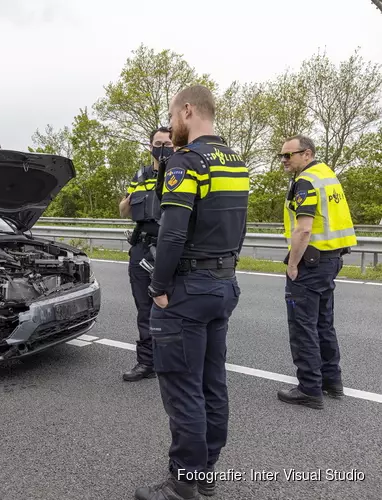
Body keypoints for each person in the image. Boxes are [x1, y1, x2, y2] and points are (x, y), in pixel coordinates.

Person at [133, 85, 249, 500]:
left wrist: (159, 287)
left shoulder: (188, 160)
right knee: (212, 383)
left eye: (172, 114)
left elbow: (173, 230)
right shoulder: (236, 161)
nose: (172, 124)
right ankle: (206, 474)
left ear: (186, 110)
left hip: (187, 290)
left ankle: (184, 483)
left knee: (183, 389)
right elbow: (239, 225)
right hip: (222, 283)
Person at [277, 135, 356, 410]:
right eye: (282, 156)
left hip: (310, 262)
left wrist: (292, 263)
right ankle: (331, 381)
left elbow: (304, 228)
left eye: (289, 155)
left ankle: (309, 388)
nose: (284, 160)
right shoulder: (327, 174)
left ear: (307, 154)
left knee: (302, 326)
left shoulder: (307, 181)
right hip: (331, 259)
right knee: (323, 323)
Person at [119, 126, 174, 382]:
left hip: (169, 248)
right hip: (141, 248)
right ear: (150, 145)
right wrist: (126, 203)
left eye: (167, 142)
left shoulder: (180, 172)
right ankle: (146, 363)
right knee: (145, 309)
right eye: (158, 142)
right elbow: (124, 211)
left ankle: (172, 362)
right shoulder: (140, 175)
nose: (162, 146)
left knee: (172, 307)